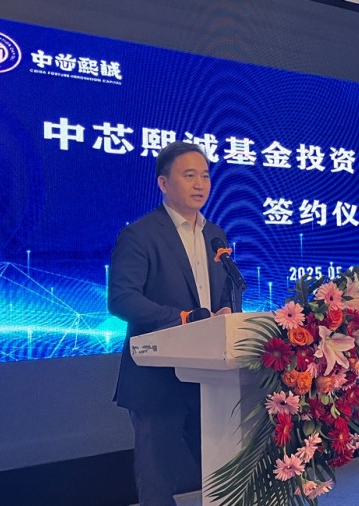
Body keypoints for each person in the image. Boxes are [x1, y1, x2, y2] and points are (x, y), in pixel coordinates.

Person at [108, 141, 236, 506]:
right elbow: (122, 299)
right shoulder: (140, 234)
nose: (200, 184)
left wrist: (226, 313)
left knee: (224, 475)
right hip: (156, 380)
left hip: (209, 378)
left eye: (205, 176)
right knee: (157, 484)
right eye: (189, 175)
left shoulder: (215, 235)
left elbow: (224, 293)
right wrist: (182, 319)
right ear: (163, 183)